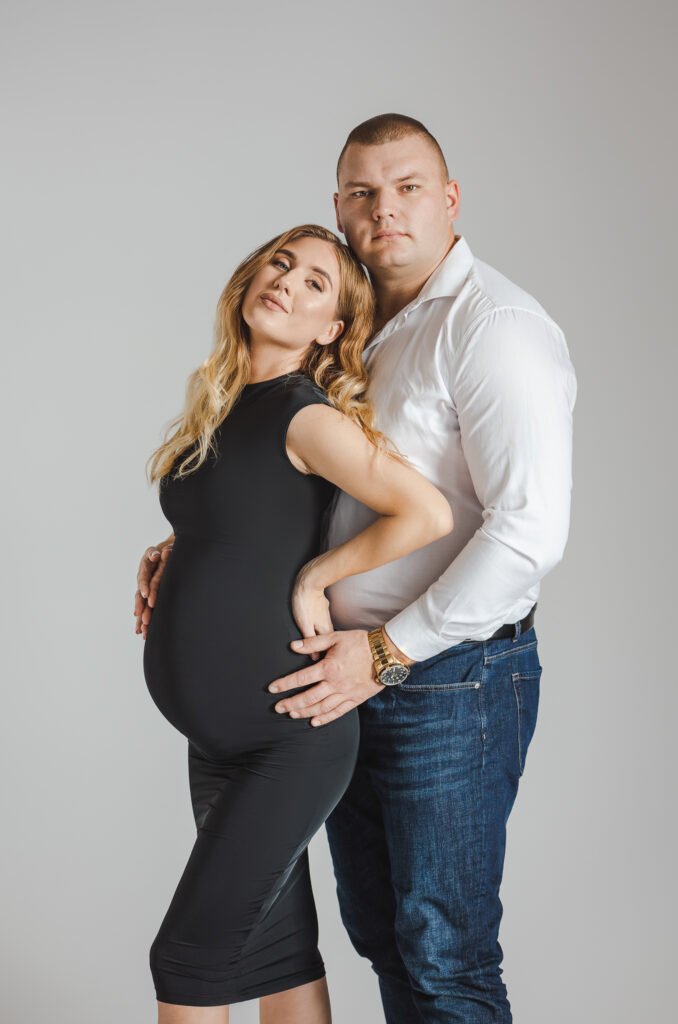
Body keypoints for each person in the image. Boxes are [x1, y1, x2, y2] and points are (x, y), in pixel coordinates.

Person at [137, 113, 578, 1023]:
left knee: (443, 955)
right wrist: (200, 546)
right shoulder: (362, 332)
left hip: (445, 675)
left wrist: (381, 649)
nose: (384, 209)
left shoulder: (492, 327)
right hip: (343, 674)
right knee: (381, 935)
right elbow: (303, 492)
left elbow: (527, 531)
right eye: (362, 192)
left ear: (448, 198)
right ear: (338, 207)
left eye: (407, 187)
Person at [138, 221, 454, 1022]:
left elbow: (424, 512)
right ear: (249, 279)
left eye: (314, 283)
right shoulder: (225, 406)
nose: (286, 281)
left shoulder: (302, 416)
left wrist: (319, 574)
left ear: (331, 330)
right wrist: (174, 548)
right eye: (280, 264)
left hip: (288, 738)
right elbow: (241, 519)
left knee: (188, 957)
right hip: (222, 741)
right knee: (274, 955)